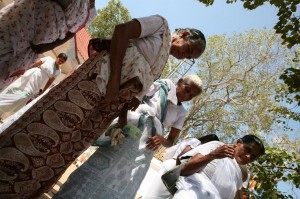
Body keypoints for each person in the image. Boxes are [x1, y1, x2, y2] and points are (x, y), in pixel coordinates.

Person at [0, 15, 206, 198]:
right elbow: (122, 31)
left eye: (189, 58)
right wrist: (115, 80)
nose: (184, 56)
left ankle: (23, 189)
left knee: (68, 145)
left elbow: (135, 90)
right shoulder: (160, 25)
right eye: (187, 50)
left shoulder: (161, 64)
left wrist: (123, 116)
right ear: (184, 34)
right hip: (98, 82)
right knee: (49, 128)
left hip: (108, 106)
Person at [53, 75, 203, 199]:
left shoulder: (182, 112)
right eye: (187, 90)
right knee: (100, 167)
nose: (187, 95)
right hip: (130, 132)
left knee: (124, 180)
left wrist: (161, 139)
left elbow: (171, 140)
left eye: (191, 95)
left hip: (146, 148)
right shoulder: (162, 85)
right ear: (180, 82)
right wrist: (122, 119)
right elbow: (134, 97)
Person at [0, 0, 96, 92]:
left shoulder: (91, 12)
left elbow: (72, 32)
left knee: (5, 72)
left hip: (32, 48)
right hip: (19, 23)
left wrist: (49, 46)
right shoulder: (48, 60)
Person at [172, 134, 265, 199]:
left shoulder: (241, 174)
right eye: (248, 150)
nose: (248, 157)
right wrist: (213, 155)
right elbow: (184, 170)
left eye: (253, 156)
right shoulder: (217, 146)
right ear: (238, 142)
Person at [142, 134, 219, 199]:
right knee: (155, 196)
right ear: (207, 140)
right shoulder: (196, 142)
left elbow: (170, 153)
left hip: (172, 166)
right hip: (174, 167)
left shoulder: (191, 140)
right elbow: (181, 157)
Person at [0, 53, 68, 121]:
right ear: (57, 57)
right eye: (60, 60)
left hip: (38, 83)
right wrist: (25, 70)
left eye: (62, 62)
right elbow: (36, 64)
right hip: (32, 75)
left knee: (24, 96)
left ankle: (3, 109)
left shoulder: (59, 71)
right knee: (15, 88)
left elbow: (50, 81)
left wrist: (43, 91)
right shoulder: (49, 59)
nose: (60, 62)